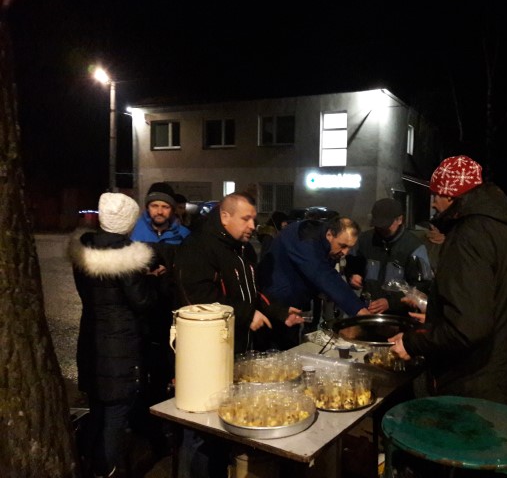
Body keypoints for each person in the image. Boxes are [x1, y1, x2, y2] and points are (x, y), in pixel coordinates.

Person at [389, 155, 507, 410]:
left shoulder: (468, 236)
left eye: (436, 194)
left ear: (451, 195)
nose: (434, 203)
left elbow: (467, 328)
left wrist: (412, 342)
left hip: (474, 384)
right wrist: (436, 318)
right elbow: (491, 304)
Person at [173, 192, 302, 477]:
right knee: (200, 428)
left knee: (223, 425)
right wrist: (245, 315)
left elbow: (252, 294)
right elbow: (198, 300)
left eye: (254, 219)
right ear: (225, 216)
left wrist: (279, 312)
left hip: (236, 351)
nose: (252, 225)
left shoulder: (244, 250)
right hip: (204, 357)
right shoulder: (197, 247)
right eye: (246, 219)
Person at [68, 192, 157, 477]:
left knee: (98, 407)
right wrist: (151, 282)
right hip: (121, 345)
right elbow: (141, 301)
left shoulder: (84, 249)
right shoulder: (127, 256)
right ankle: (107, 469)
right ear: (128, 221)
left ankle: (86, 461)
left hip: (91, 339)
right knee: (117, 412)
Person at [129, 182, 191, 456]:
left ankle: (170, 423)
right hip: (143, 316)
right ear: (147, 208)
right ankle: (144, 423)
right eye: (155, 205)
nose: (159, 211)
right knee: (145, 370)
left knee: (171, 369)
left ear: (172, 210)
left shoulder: (184, 236)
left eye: (165, 206)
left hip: (172, 314)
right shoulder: (135, 234)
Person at [258, 216, 370, 350]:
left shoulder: (326, 242)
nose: (345, 252)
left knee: (290, 349)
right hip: (271, 303)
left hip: (292, 304)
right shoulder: (305, 240)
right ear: (330, 234)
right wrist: (359, 310)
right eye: (343, 246)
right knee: (272, 352)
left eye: (349, 247)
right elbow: (324, 275)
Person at [348, 198, 433, 316]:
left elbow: (422, 286)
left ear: (399, 220)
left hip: (400, 316)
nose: (381, 229)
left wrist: (391, 302)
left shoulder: (414, 247)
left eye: (385, 225)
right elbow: (352, 263)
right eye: (378, 225)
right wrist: (353, 275)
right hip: (368, 310)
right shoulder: (364, 240)